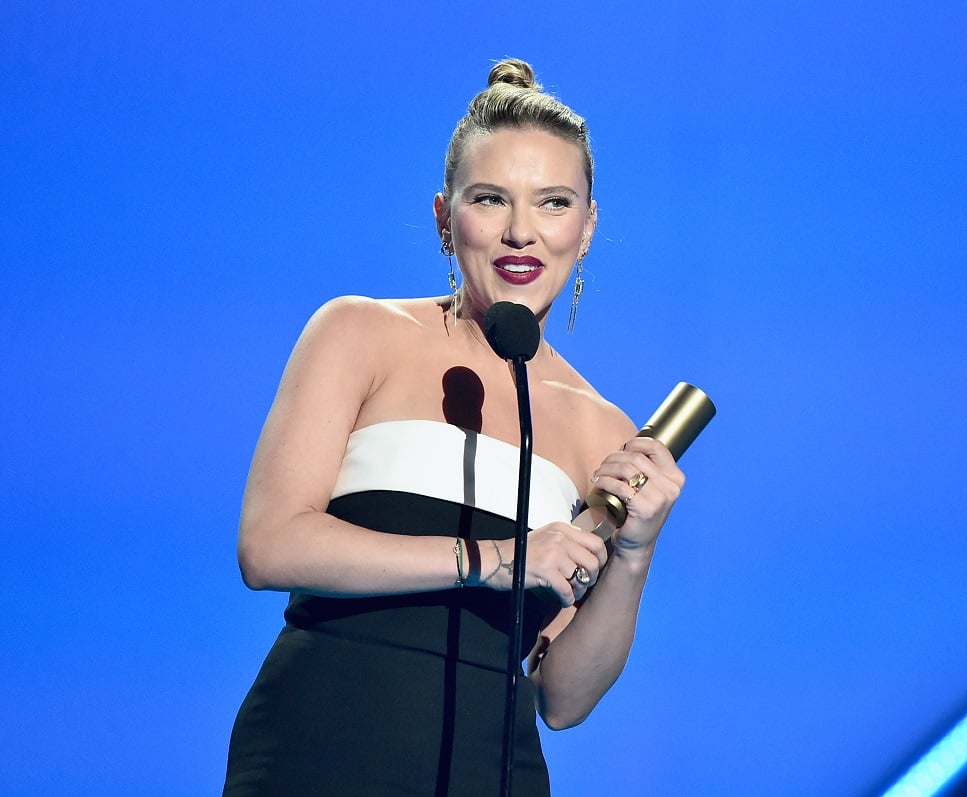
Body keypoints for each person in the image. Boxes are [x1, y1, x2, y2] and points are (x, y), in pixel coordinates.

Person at [223, 58, 685, 796]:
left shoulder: (602, 425)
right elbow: (269, 545)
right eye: (491, 199)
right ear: (446, 217)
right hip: (318, 748)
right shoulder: (357, 333)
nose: (521, 233)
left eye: (554, 202)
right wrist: (497, 559)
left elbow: (563, 697)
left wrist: (633, 553)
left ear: (589, 226)